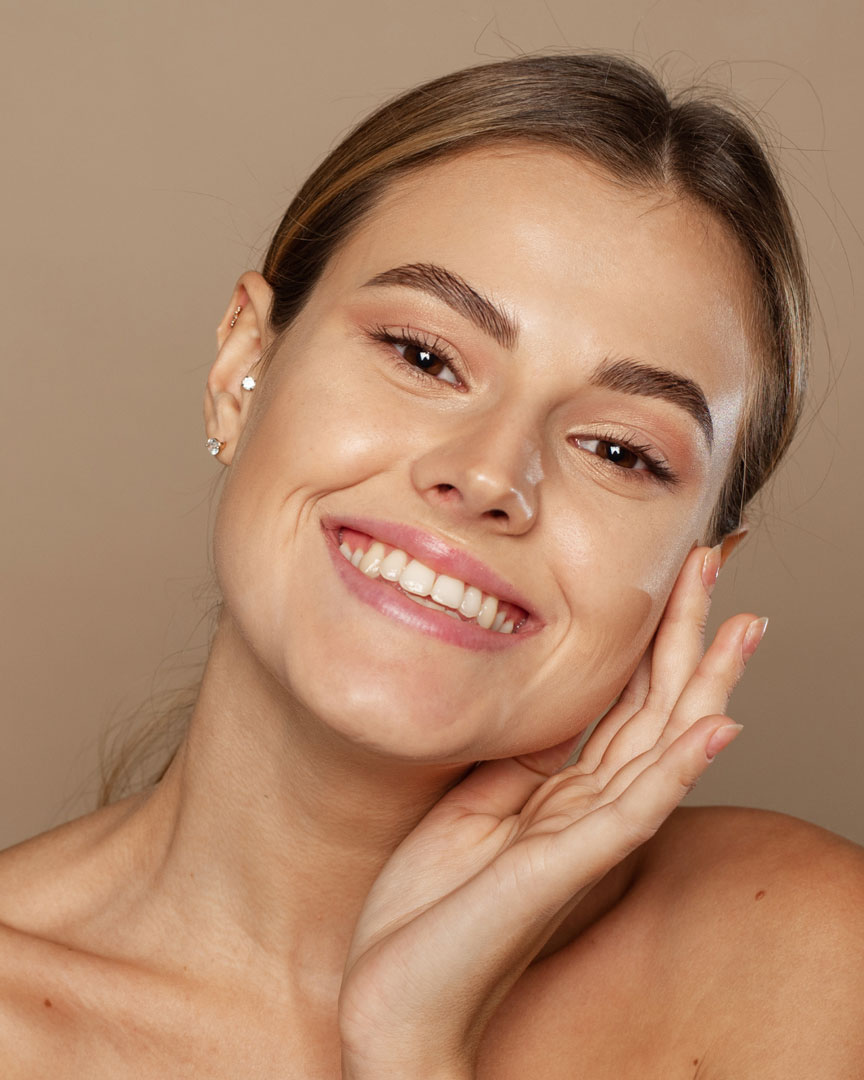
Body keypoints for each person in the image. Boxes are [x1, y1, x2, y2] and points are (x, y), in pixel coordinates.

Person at [0, 52, 861, 1079]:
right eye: (423, 355)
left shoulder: (806, 964)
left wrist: (408, 1044)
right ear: (242, 368)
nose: (492, 474)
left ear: (697, 573)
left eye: (620, 451)